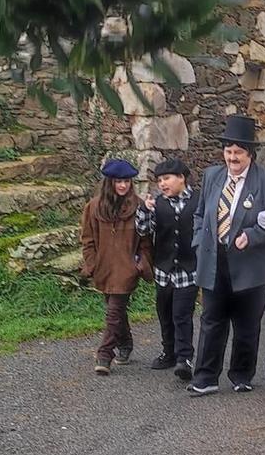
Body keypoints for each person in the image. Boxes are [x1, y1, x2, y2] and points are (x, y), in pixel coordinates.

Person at [191, 115, 265, 395]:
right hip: (214, 260)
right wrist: (200, 242)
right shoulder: (212, 176)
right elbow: (200, 214)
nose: (232, 158)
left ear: (250, 154)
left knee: (247, 324)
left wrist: (254, 236)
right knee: (212, 319)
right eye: (228, 151)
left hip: (249, 264)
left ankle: (242, 375)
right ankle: (205, 377)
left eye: (238, 152)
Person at [80, 159, 148, 376]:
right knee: (115, 310)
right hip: (104, 267)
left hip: (127, 268)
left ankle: (104, 355)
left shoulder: (138, 206)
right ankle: (126, 344)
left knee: (113, 311)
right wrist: (92, 263)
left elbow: (146, 240)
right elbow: (87, 239)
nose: (123, 186)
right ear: (109, 183)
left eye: (127, 181)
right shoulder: (93, 207)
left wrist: (140, 265)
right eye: (119, 181)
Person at [137, 156, 199, 377]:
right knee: (164, 313)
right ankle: (169, 352)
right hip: (163, 270)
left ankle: (185, 358)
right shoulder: (157, 203)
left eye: (167, 178)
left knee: (182, 314)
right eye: (159, 180)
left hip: (188, 269)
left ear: (181, 178)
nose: (162, 184)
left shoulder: (198, 201)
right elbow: (143, 230)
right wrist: (144, 210)